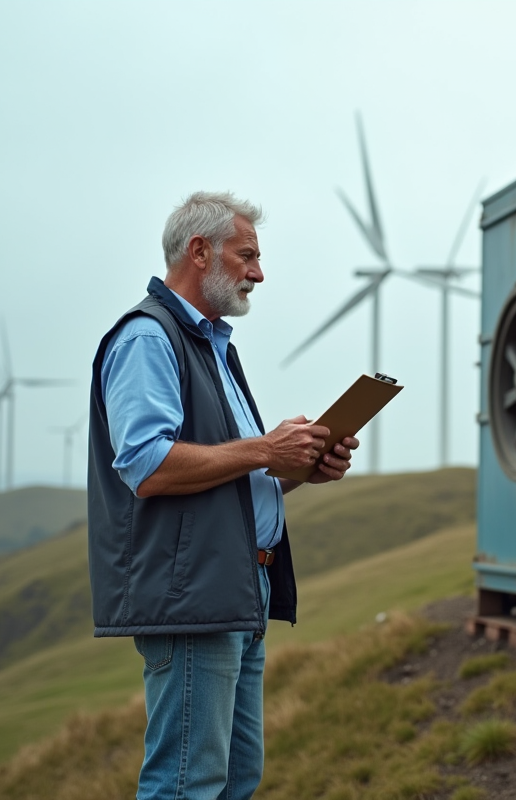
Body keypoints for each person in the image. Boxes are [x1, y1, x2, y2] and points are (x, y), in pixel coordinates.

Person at [87, 191, 358, 800]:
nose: (258, 273)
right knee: (187, 783)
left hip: (238, 590)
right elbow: (146, 464)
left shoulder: (214, 347)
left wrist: (298, 467)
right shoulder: (148, 339)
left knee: (235, 781)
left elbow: (225, 474)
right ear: (199, 250)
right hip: (194, 594)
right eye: (247, 256)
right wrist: (266, 449)